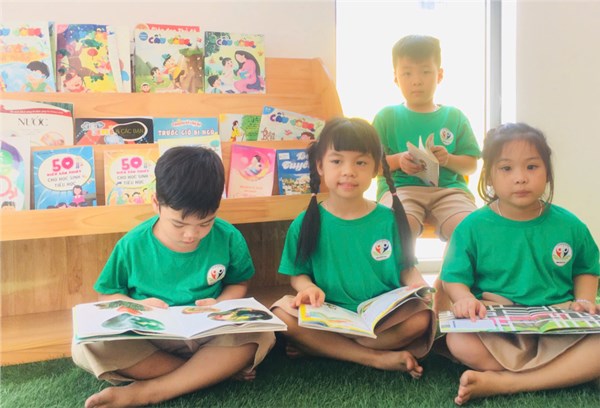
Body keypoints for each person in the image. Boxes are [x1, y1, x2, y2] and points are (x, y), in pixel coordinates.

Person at [72, 146, 275, 408]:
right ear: (156, 203)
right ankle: (211, 372)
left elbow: (239, 282)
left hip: (208, 332)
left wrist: (220, 304)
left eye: (205, 223)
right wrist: (137, 306)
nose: (191, 234)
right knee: (88, 345)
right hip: (152, 339)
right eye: (178, 224)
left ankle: (150, 391)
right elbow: (107, 295)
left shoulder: (228, 236)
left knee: (263, 331)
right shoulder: (132, 244)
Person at [439, 123, 600, 405]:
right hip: (499, 329)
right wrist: (464, 298)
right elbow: (453, 277)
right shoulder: (472, 226)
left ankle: (508, 382)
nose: (520, 178)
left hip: (560, 327)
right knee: (459, 341)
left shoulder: (570, 224)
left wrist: (585, 300)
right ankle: (566, 372)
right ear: (489, 176)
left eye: (532, 167)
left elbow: (586, 267)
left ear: (547, 173)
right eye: (506, 168)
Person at [272, 117, 436, 378]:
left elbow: (407, 268)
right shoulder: (305, 222)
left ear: (376, 168)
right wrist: (308, 288)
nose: (348, 171)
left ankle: (325, 348)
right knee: (282, 314)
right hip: (329, 315)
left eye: (360, 162)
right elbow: (298, 274)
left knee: (422, 318)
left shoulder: (390, 219)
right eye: (337, 161)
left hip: (382, 317)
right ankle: (373, 357)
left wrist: (419, 286)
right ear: (320, 165)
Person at [372, 34, 481, 312]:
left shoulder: (454, 116)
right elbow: (371, 163)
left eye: (425, 72)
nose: (416, 81)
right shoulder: (387, 117)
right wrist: (399, 161)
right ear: (395, 78)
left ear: (439, 75)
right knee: (398, 224)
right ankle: (410, 283)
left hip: (449, 190)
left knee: (467, 227)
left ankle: (444, 288)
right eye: (407, 73)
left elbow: (471, 164)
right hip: (401, 190)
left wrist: (448, 159)